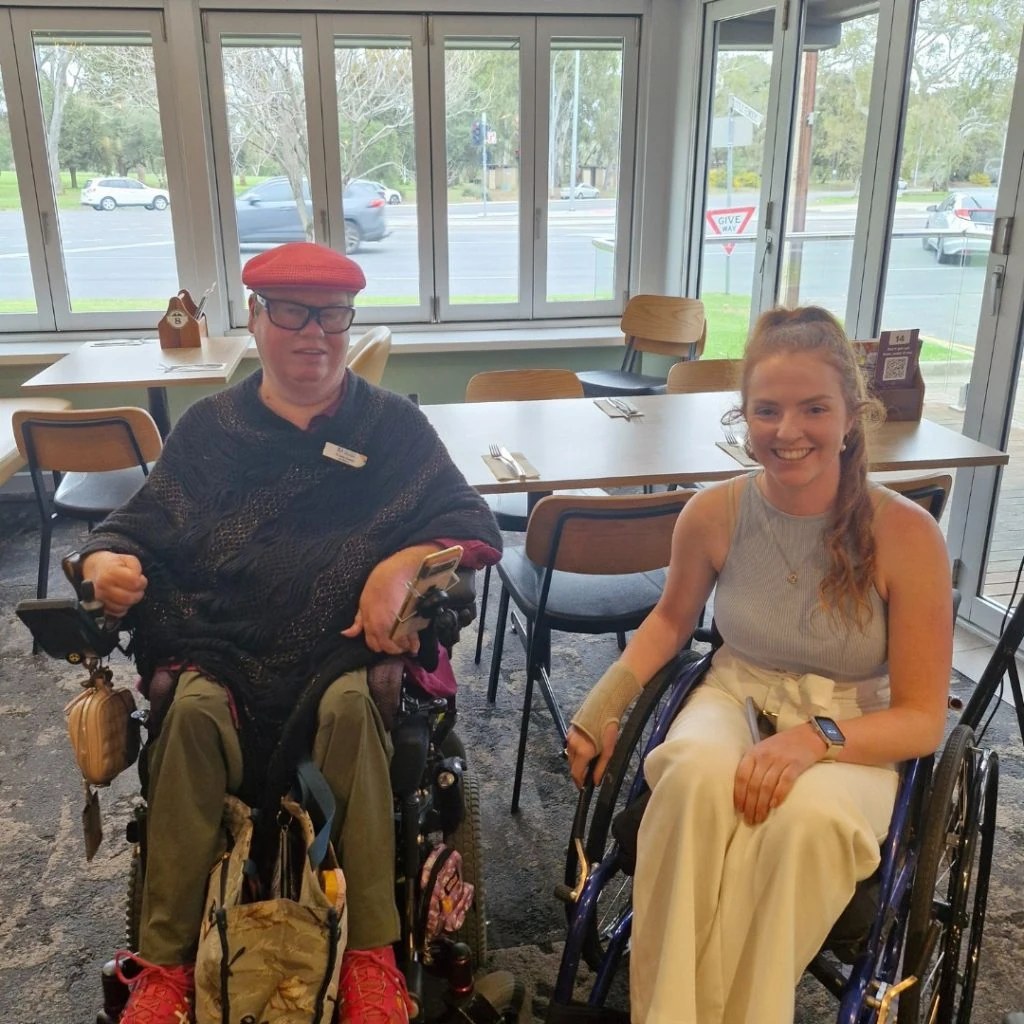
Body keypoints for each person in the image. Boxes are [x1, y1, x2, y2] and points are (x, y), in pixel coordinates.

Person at [76, 241, 503, 1024]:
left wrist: (403, 560)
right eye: (293, 314)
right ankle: (165, 964)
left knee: (349, 710)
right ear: (255, 319)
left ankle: (374, 955)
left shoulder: (392, 426)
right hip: (226, 649)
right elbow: (133, 528)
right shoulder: (211, 430)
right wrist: (107, 563)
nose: (315, 334)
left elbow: (470, 522)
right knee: (194, 714)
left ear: (350, 321)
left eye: (333, 316)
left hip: (344, 652)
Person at [566, 306, 953, 1023]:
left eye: (814, 408)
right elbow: (670, 623)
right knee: (689, 785)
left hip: (853, 724)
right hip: (735, 689)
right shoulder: (713, 514)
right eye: (766, 410)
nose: (788, 431)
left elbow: (925, 718)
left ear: (850, 415)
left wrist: (816, 740)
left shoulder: (907, 536)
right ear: (744, 417)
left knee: (803, 828)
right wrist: (603, 706)